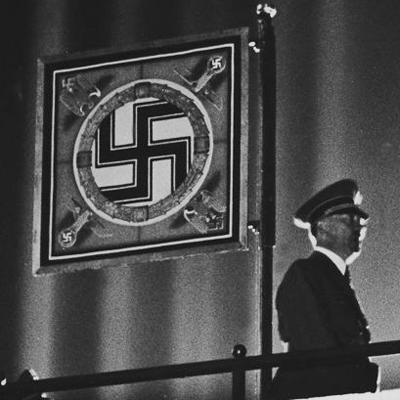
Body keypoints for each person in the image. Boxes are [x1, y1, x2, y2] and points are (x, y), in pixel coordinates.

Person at [269, 179, 380, 400]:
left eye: (360, 221)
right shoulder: (304, 274)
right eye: (349, 220)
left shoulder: (335, 277)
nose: (359, 228)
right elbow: (317, 349)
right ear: (323, 227)